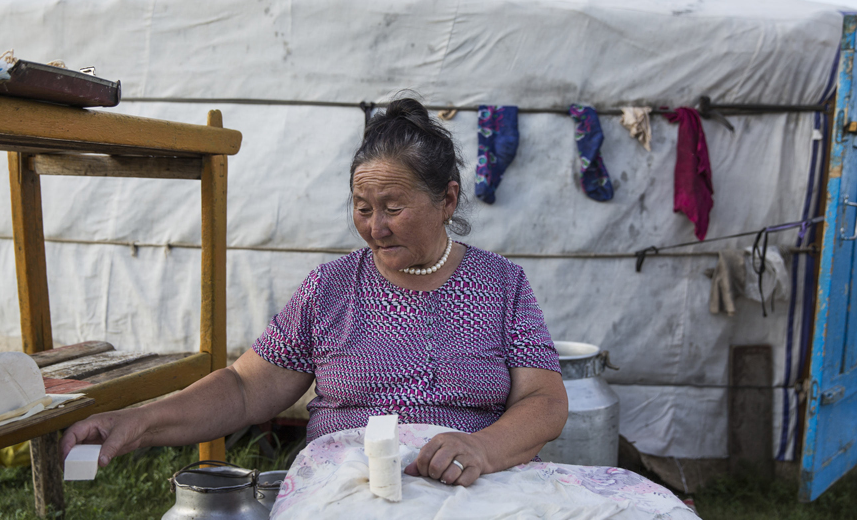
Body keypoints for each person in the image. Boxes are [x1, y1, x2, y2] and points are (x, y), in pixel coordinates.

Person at [60, 98, 567, 487]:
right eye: (362, 208)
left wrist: (481, 449)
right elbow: (243, 389)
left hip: (472, 489)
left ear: (447, 199)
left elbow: (544, 401)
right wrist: (140, 421)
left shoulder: (500, 284)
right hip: (348, 490)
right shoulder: (331, 288)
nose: (375, 228)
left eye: (392, 208)